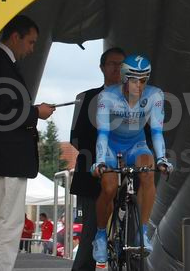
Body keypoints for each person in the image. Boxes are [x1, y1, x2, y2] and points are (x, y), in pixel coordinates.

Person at [0, 15, 56, 271]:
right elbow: (1, 109)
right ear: (15, 37)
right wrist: (35, 112)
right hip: (5, 156)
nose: (32, 49)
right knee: (6, 221)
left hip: (0, 156)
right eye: (31, 42)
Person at [91, 54, 173, 269]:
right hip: (111, 146)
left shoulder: (155, 95)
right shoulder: (107, 96)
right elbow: (103, 133)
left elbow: (156, 131)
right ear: (124, 79)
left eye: (144, 80)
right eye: (134, 80)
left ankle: (142, 233)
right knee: (109, 188)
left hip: (136, 144)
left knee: (148, 171)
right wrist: (100, 161)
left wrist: (162, 159)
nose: (139, 86)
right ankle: (101, 235)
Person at [70, 48, 125, 271]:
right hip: (94, 175)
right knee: (91, 234)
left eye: (122, 64)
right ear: (102, 68)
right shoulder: (87, 98)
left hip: (128, 172)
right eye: (112, 64)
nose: (117, 68)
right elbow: (76, 137)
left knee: (135, 233)